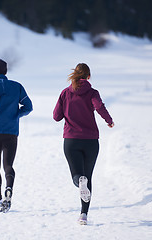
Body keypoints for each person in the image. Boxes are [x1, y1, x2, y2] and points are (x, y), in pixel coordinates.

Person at [53, 63, 114, 225]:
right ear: (88, 76)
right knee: (88, 177)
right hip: (91, 141)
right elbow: (99, 106)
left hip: (71, 140)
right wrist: (109, 121)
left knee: (77, 176)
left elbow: (56, 116)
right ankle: (83, 214)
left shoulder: (65, 93)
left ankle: (79, 180)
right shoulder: (92, 92)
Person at [0, 59, 33, 213]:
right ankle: (9, 188)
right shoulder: (17, 86)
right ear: (6, 71)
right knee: (8, 165)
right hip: (11, 132)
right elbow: (28, 107)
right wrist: (15, 115)